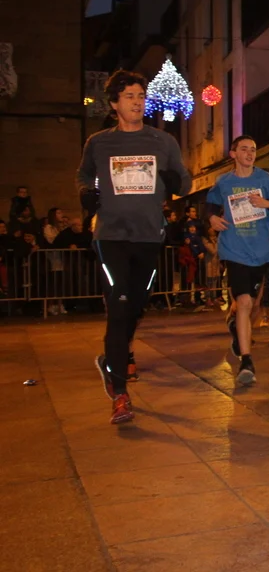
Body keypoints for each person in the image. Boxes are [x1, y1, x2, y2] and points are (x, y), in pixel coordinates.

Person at [78, 69, 192, 424]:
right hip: (111, 235)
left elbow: (185, 182)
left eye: (141, 95)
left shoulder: (163, 141)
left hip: (148, 235)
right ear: (114, 103)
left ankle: (111, 358)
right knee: (119, 304)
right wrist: (86, 193)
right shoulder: (99, 143)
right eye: (129, 96)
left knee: (136, 306)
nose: (137, 102)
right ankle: (120, 393)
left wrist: (174, 181)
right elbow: (84, 175)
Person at [206, 135, 269, 386]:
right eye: (244, 149)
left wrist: (267, 204)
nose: (250, 153)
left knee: (254, 305)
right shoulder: (224, 181)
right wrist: (212, 218)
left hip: (261, 252)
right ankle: (246, 361)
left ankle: (238, 332)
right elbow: (210, 205)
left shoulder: (267, 180)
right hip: (234, 250)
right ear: (233, 154)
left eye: (253, 149)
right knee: (243, 302)